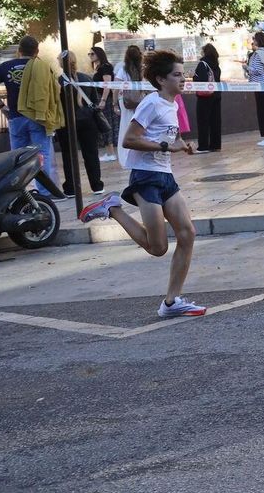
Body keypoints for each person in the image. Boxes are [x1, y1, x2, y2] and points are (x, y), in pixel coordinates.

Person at [79, 50, 205, 319]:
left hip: (165, 176)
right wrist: (164, 146)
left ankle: (172, 302)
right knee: (157, 247)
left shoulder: (171, 104)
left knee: (187, 234)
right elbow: (129, 140)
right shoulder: (151, 103)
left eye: (183, 74)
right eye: (177, 75)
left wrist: (182, 146)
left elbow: (169, 137)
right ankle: (113, 209)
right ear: (161, 79)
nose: (183, 79)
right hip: (145, 176)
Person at [0, 35, 62, 199]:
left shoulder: (5, 66)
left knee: (17, 158)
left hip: (15, 117)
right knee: (42, 156)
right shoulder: (42, 66)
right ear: (37, 51)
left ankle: (17, 193)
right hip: (38, 117)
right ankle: (44, 194)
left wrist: (1, 106)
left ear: (18, 51)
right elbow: (54, 89)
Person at [55, 50, 104, 195]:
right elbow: (94, 101)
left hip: (67, 123)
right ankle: (97, 186)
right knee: (91, 154)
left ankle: (71, 188)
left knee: (68, 155)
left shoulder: (59, 81)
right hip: (88, 121)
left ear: (61, 63)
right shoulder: (87, 78)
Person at [89, 46, 120, 162]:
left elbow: (107, 84)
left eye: (92, 54)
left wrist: (103, 100)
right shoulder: (98, 68)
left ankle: (111, 152)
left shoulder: (105, 67)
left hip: (104, 99)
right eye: (89, 54)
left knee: (106, 124)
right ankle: (109, 152)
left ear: (99, 54)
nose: (90, 56)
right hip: (99, 98)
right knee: (104, 124)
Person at [193, 43, 223, 152]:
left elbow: (200, 80)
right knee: (215, 120)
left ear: (205, 52)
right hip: (217, 95)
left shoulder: (203, 64)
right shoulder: (216, 65)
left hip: (205, 96)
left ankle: (203, 146)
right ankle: (215, 145)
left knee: (203, 121)